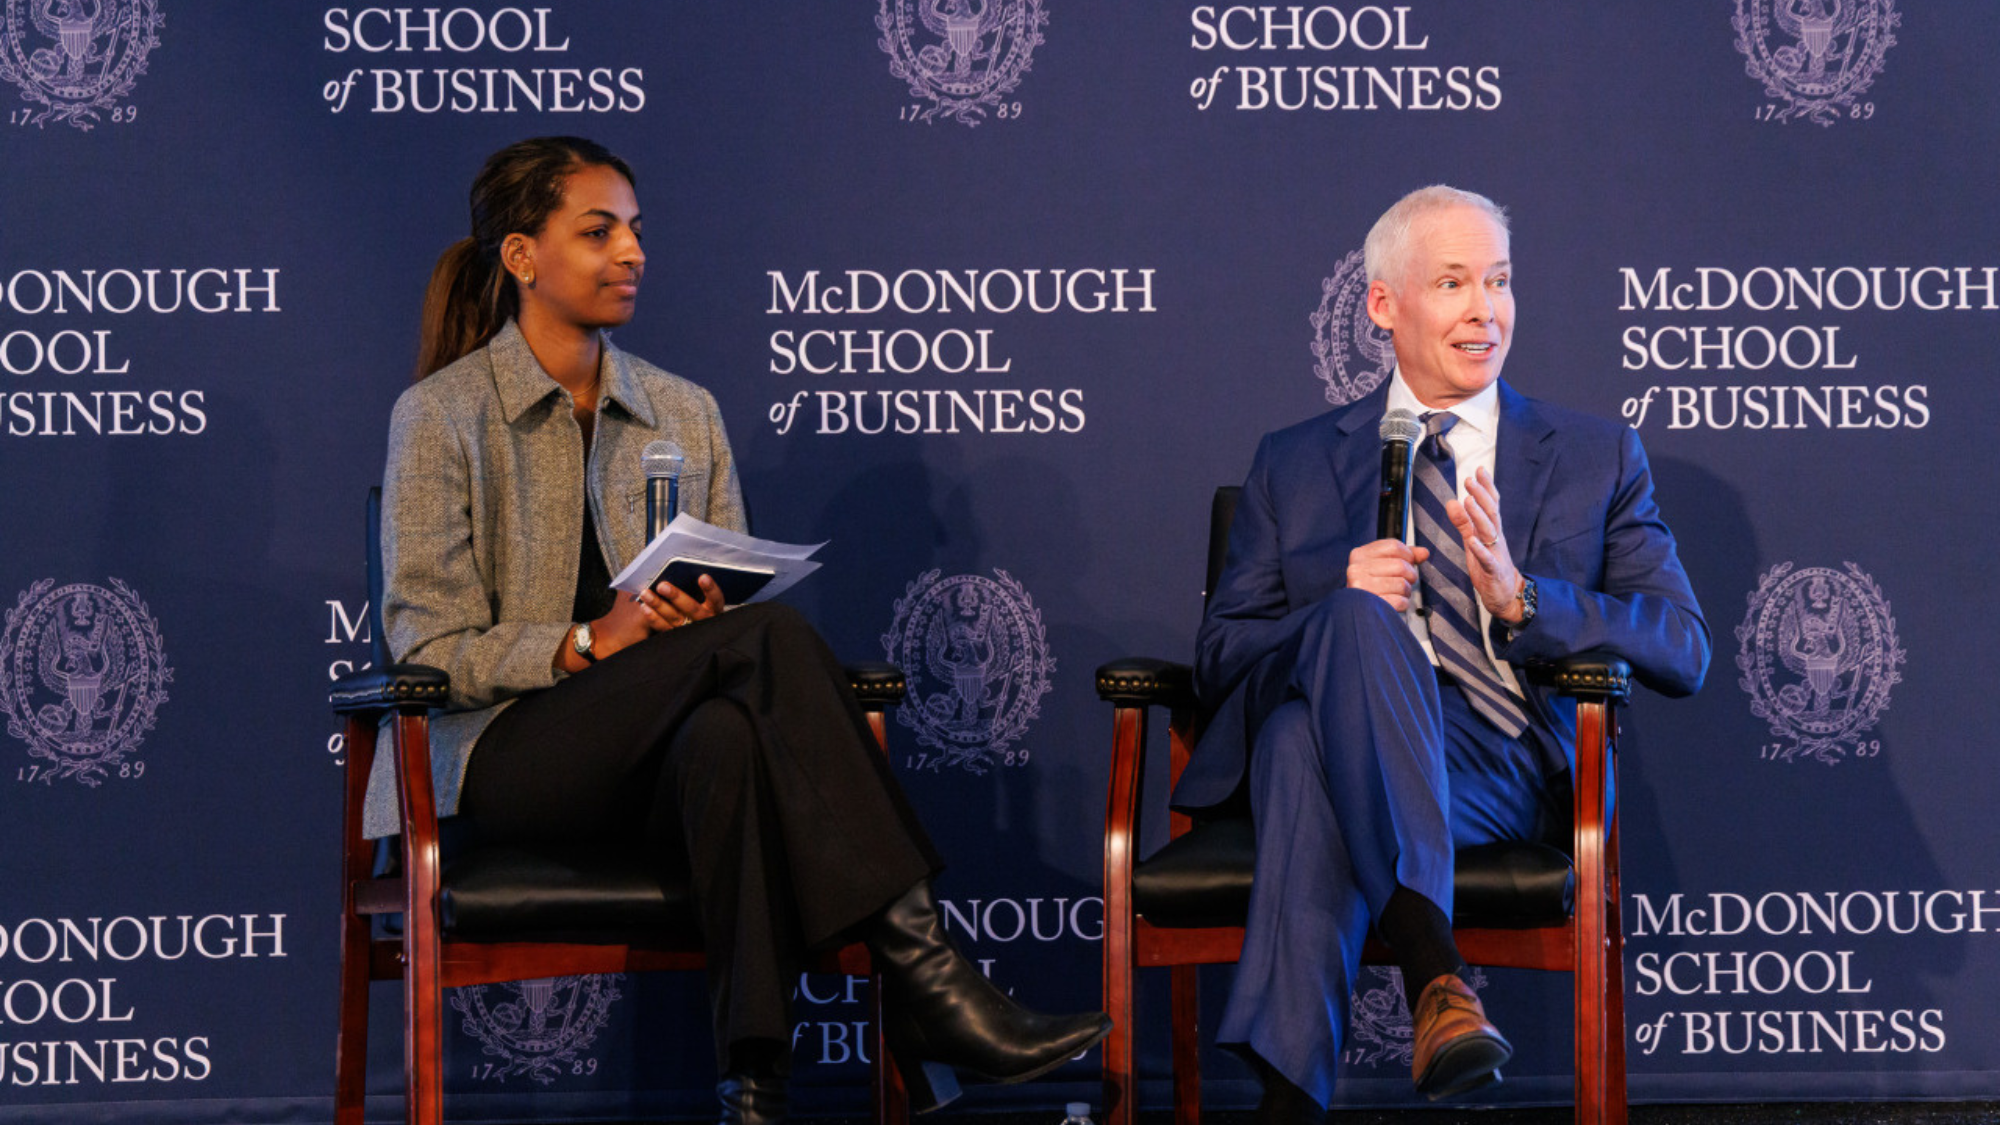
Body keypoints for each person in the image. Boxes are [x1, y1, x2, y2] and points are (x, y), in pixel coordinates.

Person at [361, 136, 1108, 1123]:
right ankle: (930, 981)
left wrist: (695, 620)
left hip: (659, 754)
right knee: (773, 647)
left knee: (727, 726)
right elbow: (427, 651)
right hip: (502, 761)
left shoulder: (684, 410)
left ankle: (753, 1088)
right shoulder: (441, 416)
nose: (630, 252)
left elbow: (731, 619)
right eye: (597, 232)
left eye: (634, 230)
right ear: (520, 257)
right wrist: (594, 642)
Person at [1174, 186, 1709, 1118]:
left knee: (1308, 755)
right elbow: (1221, 656)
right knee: (1333, 664)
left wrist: (1524, 599)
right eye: (1453, 282)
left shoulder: (1595, 455)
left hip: (1500, 764)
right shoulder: (1292, 462)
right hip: (1333, 732)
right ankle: (1440, 979)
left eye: (1499, 282)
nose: (1485, 310)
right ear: (1383, 304)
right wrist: (1336, 606)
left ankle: (1290, 1100)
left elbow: (1683, 647)